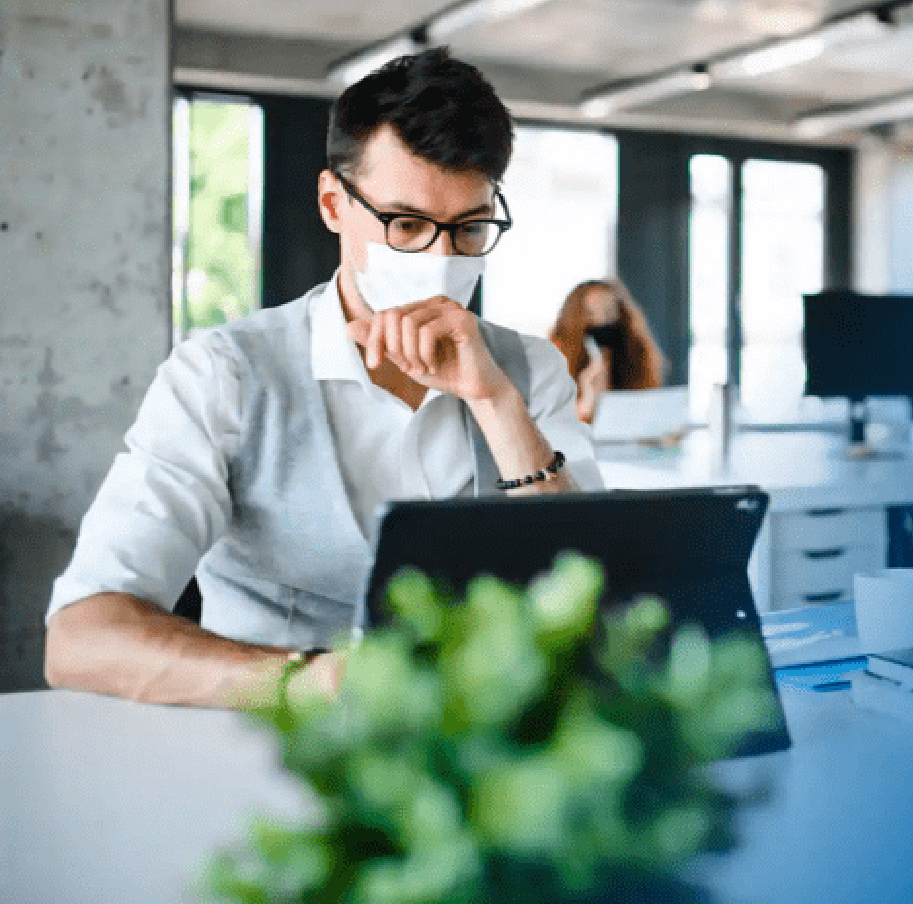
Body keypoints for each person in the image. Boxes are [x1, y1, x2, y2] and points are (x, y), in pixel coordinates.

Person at [43, 48, 601, 709]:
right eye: (408, 224)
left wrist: (496, 402)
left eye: (470, 229)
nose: (440, 258)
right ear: (334, 202)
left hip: (480, 764)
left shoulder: (529, 371)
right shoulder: (223, 374)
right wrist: (308, 680)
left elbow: (591, 600)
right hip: (260, 757)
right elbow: (80, 638)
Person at [549, 279, 666, 424]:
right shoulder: (553, 360)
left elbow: (646, 410)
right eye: (590, 314)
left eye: (609, 313)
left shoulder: (637, 356)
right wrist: (588, 401)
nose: (601, 321)